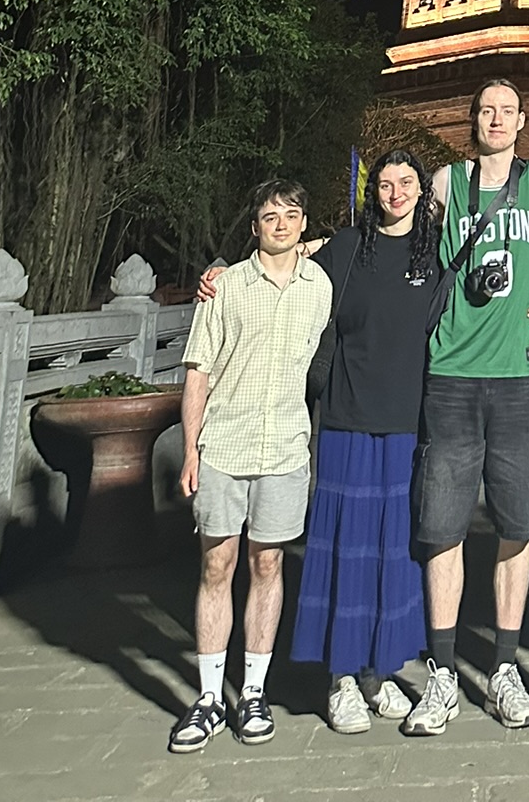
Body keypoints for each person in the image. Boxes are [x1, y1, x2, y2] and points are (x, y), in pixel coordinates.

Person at [405, 78, 529, 735]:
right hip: (451, 371)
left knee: (517, 524)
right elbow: (394, 235)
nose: (497, 120)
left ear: (523, 121)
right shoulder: (447, 183)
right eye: (486, 111)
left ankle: (504, 667)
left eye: (507, 111)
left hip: (520, 375)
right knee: (442, 525)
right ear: (472, 120)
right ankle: (443, 672)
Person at [171, 178, 332, 753]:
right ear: (254, 226)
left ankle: (254, 691)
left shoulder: (320, 286)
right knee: (217, 564)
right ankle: (209, 696)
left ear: (304, 224)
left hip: (285, 447)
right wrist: (190, 449)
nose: (280, 225)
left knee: (269, 564)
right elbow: (198, 372)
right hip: (225, 444)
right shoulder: (225, 286)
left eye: (291, 215)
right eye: (269, 216)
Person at [291, 147, 441, 734]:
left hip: (408, 423)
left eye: (406, 182)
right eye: (384, 184)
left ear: (422, 191)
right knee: (346, 548)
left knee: (396, 552)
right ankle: (342, 677)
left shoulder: (436, 253)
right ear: (371, 192)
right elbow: (292, 268)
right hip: (348, 418)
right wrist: (227, 275)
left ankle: (381, 670)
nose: (395, 193)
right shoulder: (349, 248)